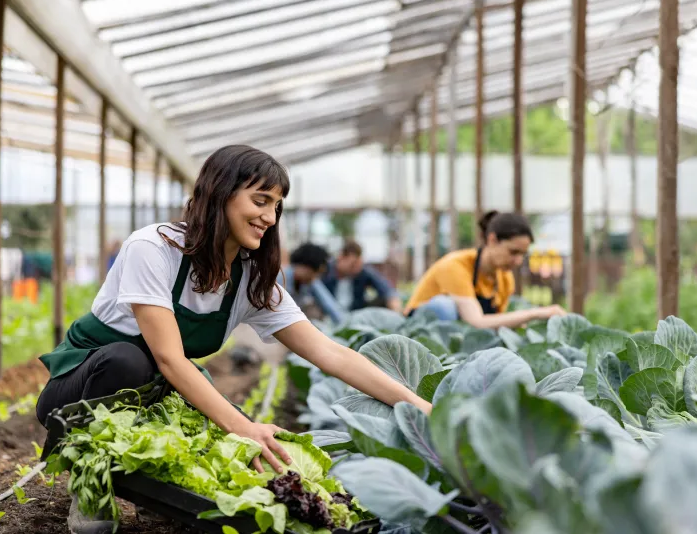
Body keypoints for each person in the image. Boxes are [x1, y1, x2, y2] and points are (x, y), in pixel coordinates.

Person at [34, 145, 431, 534]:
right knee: (129, 361)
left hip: (155, 395)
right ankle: (91, 484)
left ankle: (151, 489)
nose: (269, 217)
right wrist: (244, 426)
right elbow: (170, 359)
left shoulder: (251, 279)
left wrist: (420, 408)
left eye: (276, 206)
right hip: (78, 396)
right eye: (260, 200)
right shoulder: (153, 248)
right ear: (221, 193)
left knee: (213, 427)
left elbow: (330, 353)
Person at [404, 210, 567, 328]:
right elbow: (477, 322)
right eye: (513, 252)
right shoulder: (454, 266)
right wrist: (535, 313)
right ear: (492, 240)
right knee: (443, 306)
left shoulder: (504, 278)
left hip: (457, 337)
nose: (517, 261)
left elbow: (496, 325)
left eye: (522, 255)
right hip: (417, 333)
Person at [320, 240, 403, 313]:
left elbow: (387, 290)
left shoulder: (362, 272)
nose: (356, 269)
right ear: (341, 257)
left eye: (358, 264)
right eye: (352, 264)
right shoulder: (324, 270)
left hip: (354, 317)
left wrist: (396, 309)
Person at [278, 242, 347, 324]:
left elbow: (329, 304)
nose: (315, 278)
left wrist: (344, 324)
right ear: (305, 266)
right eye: (316, 273)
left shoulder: (309, 282)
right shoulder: (279, 280)